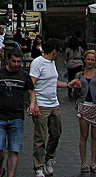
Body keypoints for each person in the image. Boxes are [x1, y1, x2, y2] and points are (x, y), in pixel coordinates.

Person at [0, 48, 38, 177]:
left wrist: (32, 104)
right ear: (8, 60)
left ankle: (11, 174)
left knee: (14, 149)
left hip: (17, 116)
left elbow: (31, 91)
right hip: (0, 116)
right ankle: (0, 168)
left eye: (19, 62)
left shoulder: (24, 75)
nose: (16, 65)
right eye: (14, 61)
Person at [30, 37, 68, 177]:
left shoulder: (52, 63)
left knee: (56, 133)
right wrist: (33, 104)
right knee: (41, 136)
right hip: (42, 104)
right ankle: (38, 166)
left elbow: (53, 81)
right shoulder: (37, 63)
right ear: (54, 51)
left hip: (54, 103)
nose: (60, 55)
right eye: (59, 52)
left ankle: (49, 158)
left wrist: (68, 84)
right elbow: (31, 84)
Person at [69, 50, 96, 173]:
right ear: (84, 60)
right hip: (84, 105)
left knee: (95, 137)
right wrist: (76, 89)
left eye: (92, 60)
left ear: (95, 61)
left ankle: (94, 162)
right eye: (88, 59)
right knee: (84, 136)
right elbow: (75, 94)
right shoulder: (79, 75)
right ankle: (83, 162)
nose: (90, 62)